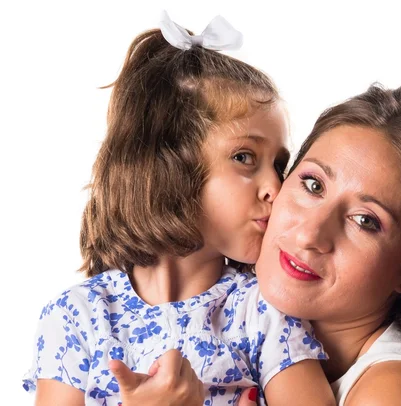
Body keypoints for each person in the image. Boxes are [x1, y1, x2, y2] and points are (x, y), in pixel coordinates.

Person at [123, 83, 401, 405]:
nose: (309, 235)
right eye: (312, 185)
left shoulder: (391, 391)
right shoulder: (248, 341)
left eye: (366, 220)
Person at [22, 12, 334, 406]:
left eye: (278, 165)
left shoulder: (264, 309)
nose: (276, 187)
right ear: (168, 165)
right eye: (244, 157)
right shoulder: (76, 317)